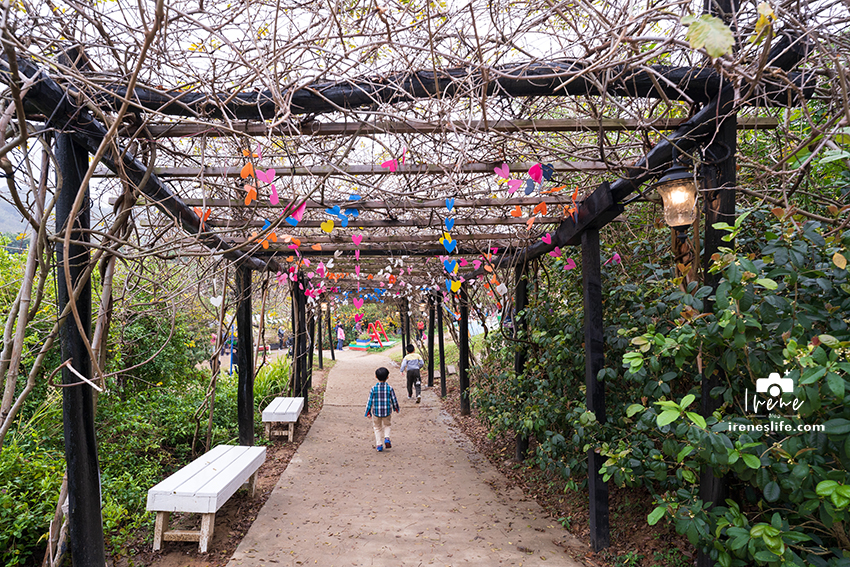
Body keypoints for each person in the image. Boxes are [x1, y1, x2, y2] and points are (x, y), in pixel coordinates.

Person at [365, 367, 399, 452]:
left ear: (376, 377)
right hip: (387, 412)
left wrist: (368, 411)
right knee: (387, 425)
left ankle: (379, 445)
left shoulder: (373, 389)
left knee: (377, 427)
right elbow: (394, 399)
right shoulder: (390, 388)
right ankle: (387, 438)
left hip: (376, 412)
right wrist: (396, 408)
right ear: (388, 377)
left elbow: (370, 401)